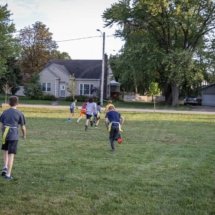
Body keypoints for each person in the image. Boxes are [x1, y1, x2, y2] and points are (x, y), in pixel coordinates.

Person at [0, 96, 26, 180]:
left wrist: (3, 132)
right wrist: (24, 134)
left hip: (5, 134)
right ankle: (8, 175)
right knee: (11, 154)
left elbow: (1, 125)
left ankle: (5, 167)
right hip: (13, 136)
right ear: (18, 103)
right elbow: (23, 127)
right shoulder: (19, 113)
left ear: (8, 103)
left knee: (5, 150)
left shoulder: (4, 112)